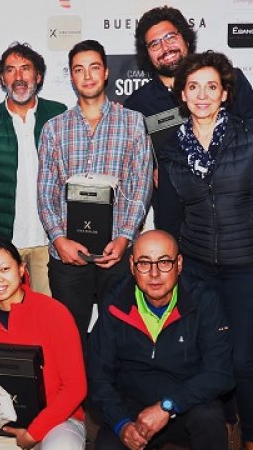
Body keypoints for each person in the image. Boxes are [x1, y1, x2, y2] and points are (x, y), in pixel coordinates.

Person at [154, 51, 253, 450]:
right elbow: (169, 217)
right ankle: (221, 429)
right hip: (197, 266)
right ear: (182, 95)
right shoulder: (171, 148)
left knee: (244, 360)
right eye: (193, 87)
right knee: (207, 356)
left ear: (224, 93)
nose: (202, 95)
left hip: (247, 265)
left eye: (211, 86)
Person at [124, 6, 253, 237]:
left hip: (234, 213)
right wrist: (151, 167)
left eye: (170, 37)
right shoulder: (137, 104)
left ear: (185, 37)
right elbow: (133, 160)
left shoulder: (228, 80)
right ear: (147, 54)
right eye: (155, 44)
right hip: (177, 219)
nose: (165, 48)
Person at [37, 39, 152, 335]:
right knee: (68, 336)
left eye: (94, 68)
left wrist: (126, 237)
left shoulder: (133, 123)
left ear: (106, 73)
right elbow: (46, 190)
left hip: (116, 251)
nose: (87, 76)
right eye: (79, 69)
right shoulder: (54, 128)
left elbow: (141, 185)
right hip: (67, 255)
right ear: (71, 76)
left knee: (118, 335)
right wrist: (59, 239)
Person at [86, 230, 233, 450]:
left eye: (164, 262)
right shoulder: (116, 304)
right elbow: (99, 375)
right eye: (144, 263)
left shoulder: (204, 300)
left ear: (179, 264)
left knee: (209, 416)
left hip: (185, 405)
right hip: (132, 408)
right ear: (132, 265)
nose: (154, 274)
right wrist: (121, 424)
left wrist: (168, 406)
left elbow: (220, 373)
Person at [0, 43, 65, 294]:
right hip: (4, 243)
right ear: (2, 78)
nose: (19, 77)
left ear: (38, 76)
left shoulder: (60, 115)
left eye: (25, 69)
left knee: (46, 318)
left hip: (50, 243)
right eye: (10, 70)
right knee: (9, 319)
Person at [0, 239, 87, 449]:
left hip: (61, 420)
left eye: (4, 269)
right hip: (10, 425)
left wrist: (34, 433)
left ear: (22, 269)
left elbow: (75, 387)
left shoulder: (54, 314)